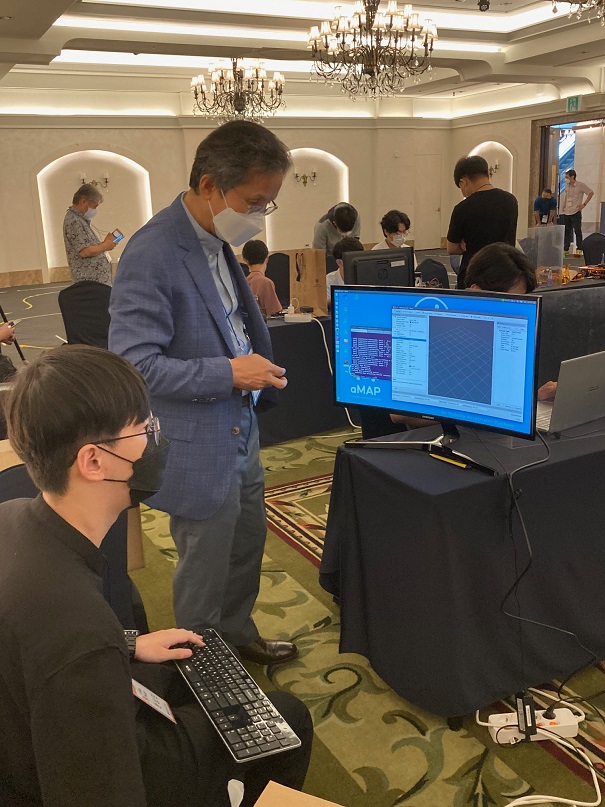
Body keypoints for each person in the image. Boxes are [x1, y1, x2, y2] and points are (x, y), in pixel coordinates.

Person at [0, 344, 312, 807]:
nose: (156, 441)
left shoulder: (11, 517)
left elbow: (34, 647)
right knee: (287, 716)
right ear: (93, 461)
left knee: (192, 668)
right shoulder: (78, 626)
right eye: (146, 428)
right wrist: (104, 647)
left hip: (49, 720)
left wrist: (126, 644)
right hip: (110, 761)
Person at [109, 120, 297, 666]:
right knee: (205, 563)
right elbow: (134, 365)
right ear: (210, 185)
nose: (259, 214)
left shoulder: (216, 239)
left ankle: (237, 634)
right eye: (254, 202)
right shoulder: (153, 251)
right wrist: (229, 374)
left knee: (245, 545)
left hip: (241, 425)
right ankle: (201, 668)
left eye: (268, 203)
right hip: (197, 438)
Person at [446, 155, 518, 290]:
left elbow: (452, 248)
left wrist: (461, 243)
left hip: (474, 274)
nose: (463, 193)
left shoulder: (463, 208)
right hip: (505, 272)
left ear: (463, 182)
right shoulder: (511, 201)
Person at [63, 183, 116, 286]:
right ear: (83, 201)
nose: (95, 210)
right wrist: (105, 246)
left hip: (96, 283)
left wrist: (104, 243)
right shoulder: (74, 221)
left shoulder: (80, 220)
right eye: (94, 206)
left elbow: (88, 247)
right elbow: (85, 251)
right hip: (89, 283)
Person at [242, 239, 282, 317]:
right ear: (267, 258)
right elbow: (274, 312)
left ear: (245, 260)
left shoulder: (243, 283)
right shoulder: (266, 283)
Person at [560, 169, 594, 256]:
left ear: (572, 177)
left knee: (577, 231)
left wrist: (584, 204)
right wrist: (563, 205)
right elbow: (567, 196)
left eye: (567, 177)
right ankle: (566, 249)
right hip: (567, 211)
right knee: (567, 231)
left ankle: (579, 248)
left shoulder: (580, 185)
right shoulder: (567, 186)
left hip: (576, 211)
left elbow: (590, 193)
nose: (566, 179)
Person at [326, 236, 364, 303]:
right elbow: (324, 306)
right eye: (354, 261)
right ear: (340, 263)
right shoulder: (328, 281)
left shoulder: (367, 277)